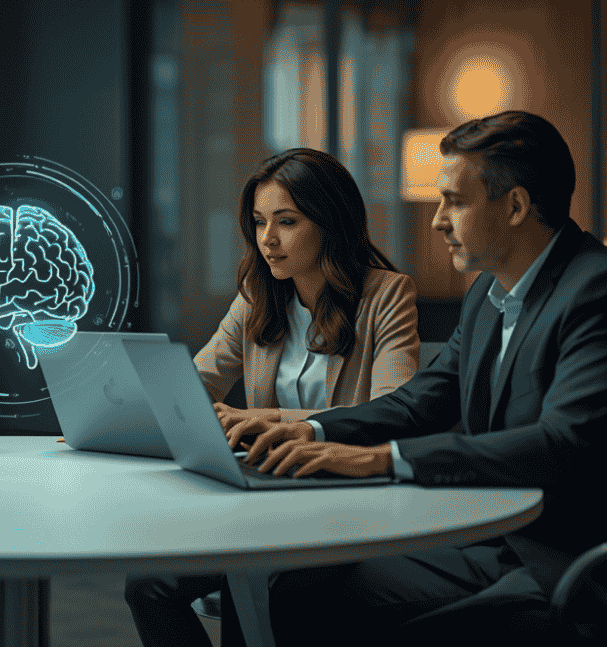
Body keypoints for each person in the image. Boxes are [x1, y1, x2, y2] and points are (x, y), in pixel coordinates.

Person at [227, 111, 607, 646]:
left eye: (454, 200)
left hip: (558, 559)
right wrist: (315, 431)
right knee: (290, 588)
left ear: (516, 206)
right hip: (489, 535)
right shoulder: (488, 294)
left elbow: (562, 443)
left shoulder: (593, 290)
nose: (437, 221)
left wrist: (383, 459)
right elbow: (422, 400)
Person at [126, 147, 421, 647]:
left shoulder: (387, 296)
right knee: (148, 585)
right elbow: (195, 383)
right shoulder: (257, 297)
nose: (267, 240)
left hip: (342, 499)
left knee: (260, 589)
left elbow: (390, 412)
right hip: (259, 493)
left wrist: (263, 418)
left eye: (286, 222)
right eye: (259, 222)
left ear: (330, 222)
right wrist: (158, 408)